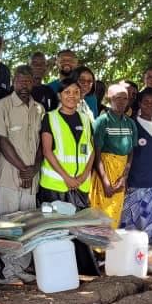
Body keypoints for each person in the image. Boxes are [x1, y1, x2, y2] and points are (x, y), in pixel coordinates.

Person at [39, 73, 98, 274]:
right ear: (59, 95)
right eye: (67, 92)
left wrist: (83, 176)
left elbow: (91, 151)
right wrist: (67, 178)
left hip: (80, 185)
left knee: (81, 230)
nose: (72, 96)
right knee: (58, 231)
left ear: (80, 96)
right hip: (56, 185)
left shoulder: (86, 119)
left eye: (76, 92)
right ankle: (59, 272)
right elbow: (47, 151)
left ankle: (83, 272)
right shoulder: (50, 118)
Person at [120, 88, 152, 242]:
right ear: (139, 103)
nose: (149, 105)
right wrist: (124, 178)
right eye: (146, 102)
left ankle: (148, 255)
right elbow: (124, 155)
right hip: (137, 186)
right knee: (131, 228)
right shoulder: (131, 124)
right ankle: (128, 255)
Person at [0, 65, 44, 214]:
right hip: (9, 179)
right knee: (7, 224)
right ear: (13, 82)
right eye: (20, 81)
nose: (24, 86)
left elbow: (42, 142)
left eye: (28, 82)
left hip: (32, 179)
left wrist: (35, 168)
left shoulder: (39, 109)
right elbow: (2, 142)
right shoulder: (2, 106)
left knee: (29, 224)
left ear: (33, 83)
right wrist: (24, 170)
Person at [90, 84, 136, 228]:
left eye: (125, 98)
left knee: (114, 215)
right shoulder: (102, 121)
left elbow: (131, 152)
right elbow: (96, 154)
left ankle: (109, 242)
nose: (122, 102)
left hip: (120, 175)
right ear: (109, 99)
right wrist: (105, 182)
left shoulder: (130, 123)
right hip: (104, 173)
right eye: (117, 98)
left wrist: (124, 178)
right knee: (101, 215)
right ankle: (99, 243)